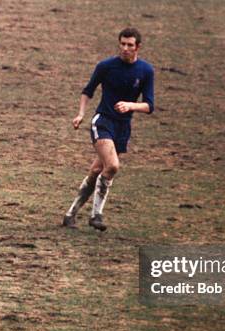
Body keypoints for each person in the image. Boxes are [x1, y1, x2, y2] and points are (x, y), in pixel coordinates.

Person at [62, 27, 154, 231]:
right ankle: (96, 215)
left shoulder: (146, 71)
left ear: (138, 47)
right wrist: (80, 114)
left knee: (97, 170)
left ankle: (70, 215)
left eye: (130, 45)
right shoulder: (106, 66)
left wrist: (131, 105)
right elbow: (88, 91)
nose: (125, 48)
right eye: (122, 44)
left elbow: (149, 105)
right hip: (103, 121)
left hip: (123, 127)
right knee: (112, 166)